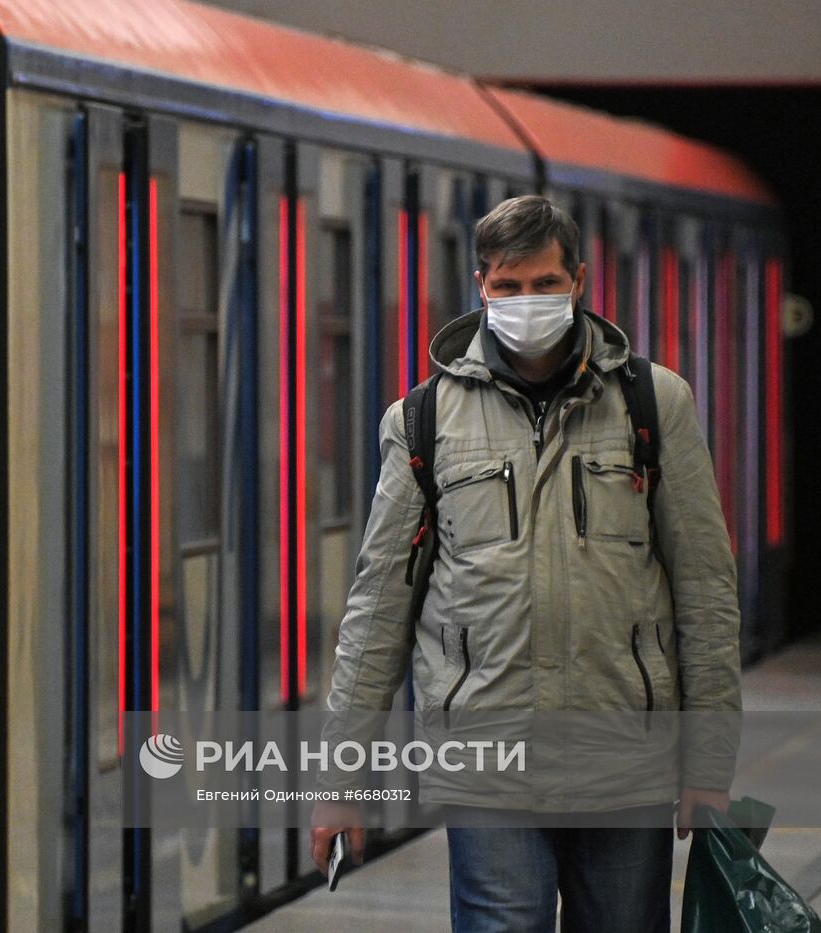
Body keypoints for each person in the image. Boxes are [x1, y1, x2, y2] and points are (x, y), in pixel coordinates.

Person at [309, 195, 741, 931]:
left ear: (578, 279)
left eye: (545, 283)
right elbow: (380, 602)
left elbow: (704, 588)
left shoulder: (652, 403)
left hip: (624, 758)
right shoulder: (423, 418)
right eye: (507, 287)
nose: (526, 301)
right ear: (480, 285)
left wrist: (707, 762)